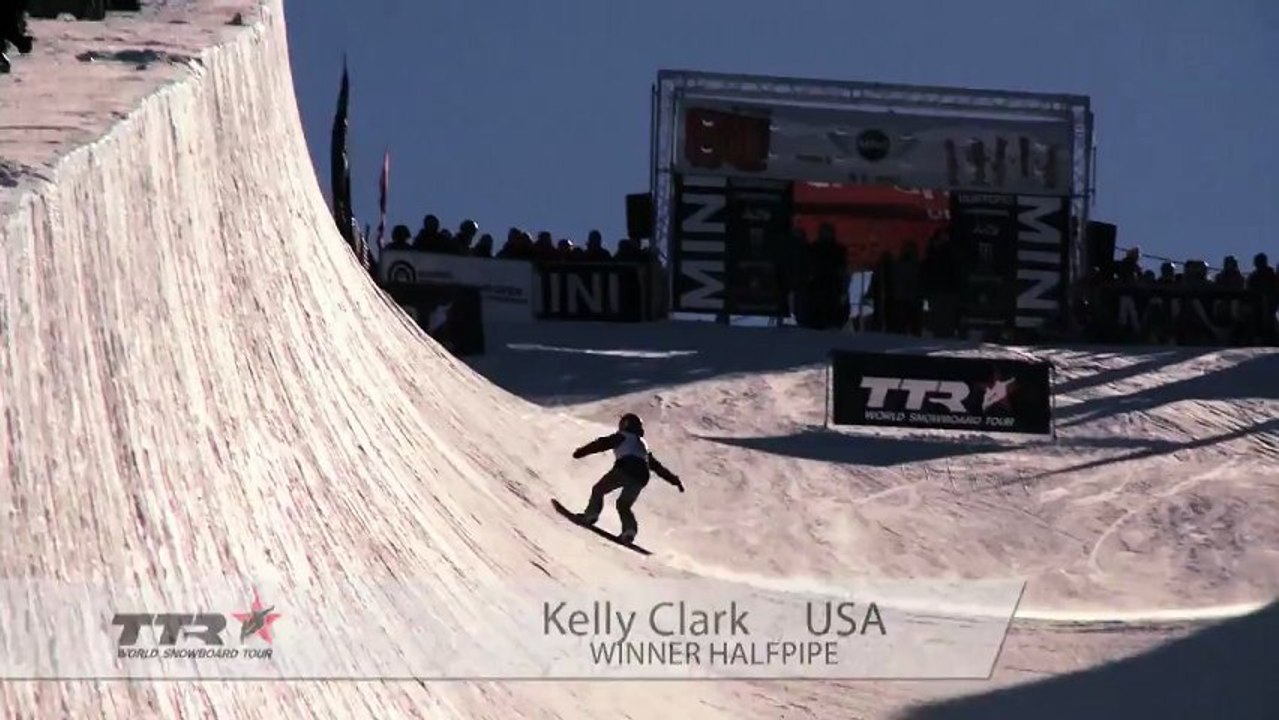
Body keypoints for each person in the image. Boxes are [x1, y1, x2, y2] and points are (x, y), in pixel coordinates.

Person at [569, 413, 684, 544]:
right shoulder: (642, 444)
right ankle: (629, 531)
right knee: (624, 505)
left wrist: (581, 452)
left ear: (626, 424)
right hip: (642, 476)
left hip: (626, 468)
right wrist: (674, 480)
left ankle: (591, 515)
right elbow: (656, 466)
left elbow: (602, 444)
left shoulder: (622, 436)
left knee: (599, 489)